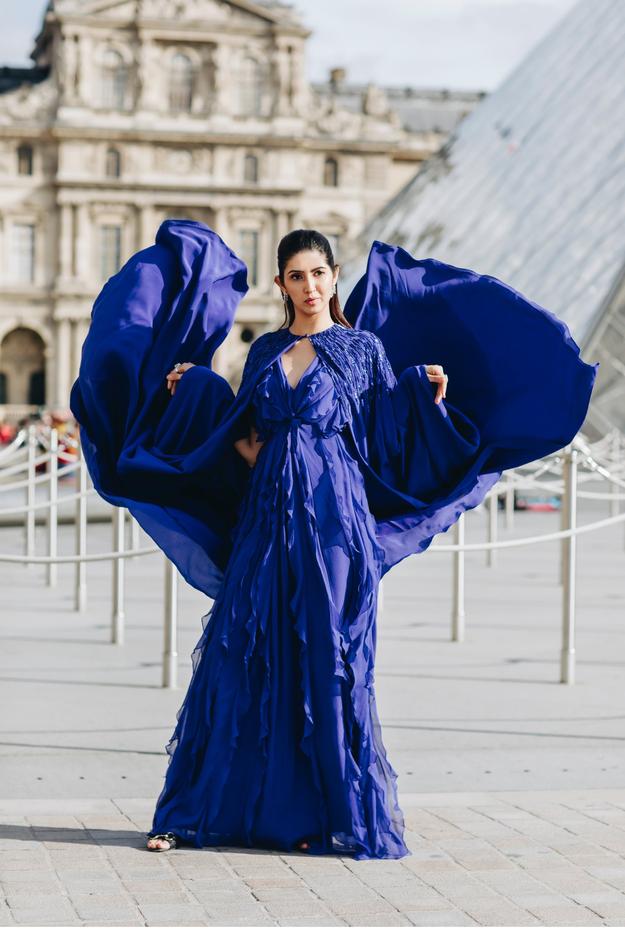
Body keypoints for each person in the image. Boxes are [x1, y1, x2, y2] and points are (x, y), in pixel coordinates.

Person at [70, 220, 597, 861]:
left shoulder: (363, 350)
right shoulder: (264, 353)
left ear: (334, 278)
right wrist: (203, 390)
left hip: (337, 521)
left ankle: (330, 815)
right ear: (281, 284)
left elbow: (386, 439)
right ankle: (197, 814)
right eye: (297, 275)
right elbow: (243, 436)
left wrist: (424, 398)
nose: (310, 285)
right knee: (244, 653)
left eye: (319, 273)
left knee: (329, 653)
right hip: (267, 517)